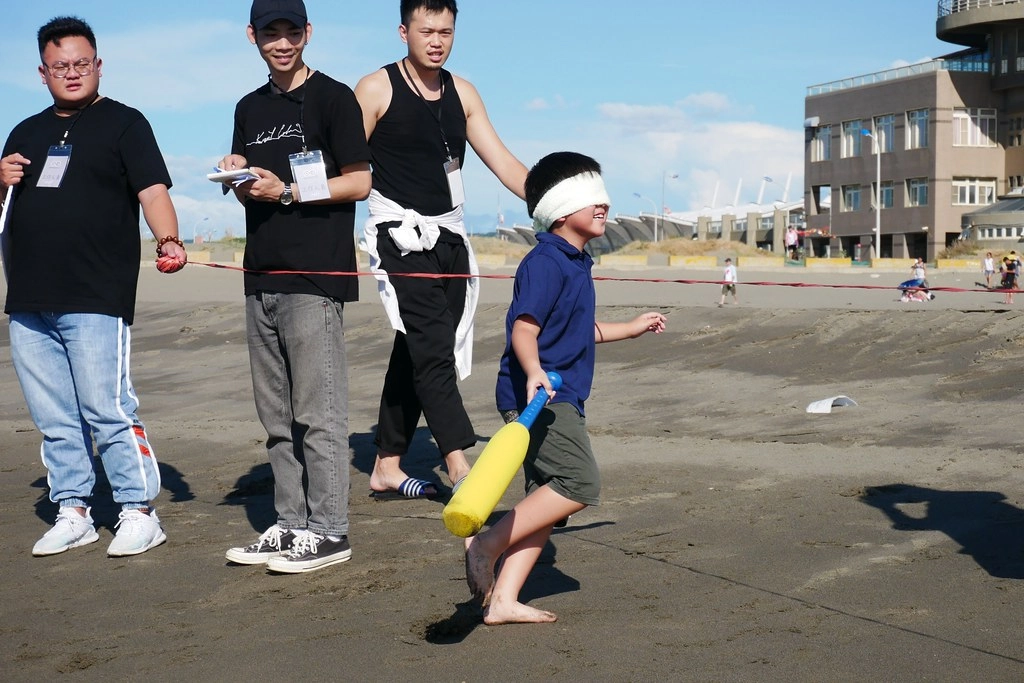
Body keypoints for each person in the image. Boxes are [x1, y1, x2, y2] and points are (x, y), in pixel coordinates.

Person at [0, 16, 186, 557]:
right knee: (55, 417)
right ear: (42, 72)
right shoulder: (24, 133)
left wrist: (168, 237)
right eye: (61, 66)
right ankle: (74, 509)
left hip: (95, 295)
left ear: (99, 65)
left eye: (83, 63)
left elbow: (152, 190)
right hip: (30, 299)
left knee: (108, 409)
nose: (73, 73)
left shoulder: (126, 124)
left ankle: (138, 510)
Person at [464, 151, 667, 624]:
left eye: (604, 198)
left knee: (545, 503)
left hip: (558, 394)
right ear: (559, 208)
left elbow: (578, 330)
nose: (605, 206)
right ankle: (486, 545)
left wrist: (631, 328)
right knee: (579, 482)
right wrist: (534, 371)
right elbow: (523, 328)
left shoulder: (576, 261)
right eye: (591, 199)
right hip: (542, 399)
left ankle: (503, 600)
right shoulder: (545, 262)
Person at [218, 0, 372, 573]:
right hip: (260, 276)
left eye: (290, 32)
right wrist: (237, 174)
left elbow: (358, 182)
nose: (280, 43)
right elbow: (248, 190)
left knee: (318, 412)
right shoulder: (247, 107)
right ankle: (289, 525)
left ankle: (330, 531)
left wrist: (286, 192)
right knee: (276, 417)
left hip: (316, 276)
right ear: (252, 36)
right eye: (269, 33)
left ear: (308, 34)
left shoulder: (334, 98)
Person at [355, 0, 528, 499]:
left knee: (415, 346)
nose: (437, 40)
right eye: (426, 30)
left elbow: (503, 162)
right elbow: (342, 165)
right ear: (403, 30)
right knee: (433, 348)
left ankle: (387, 463)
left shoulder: (463, 92)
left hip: (451, 237)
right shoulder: (375, 88)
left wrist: (558, 197)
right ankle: (460, 466)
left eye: (446, 32)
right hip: (399, 235)